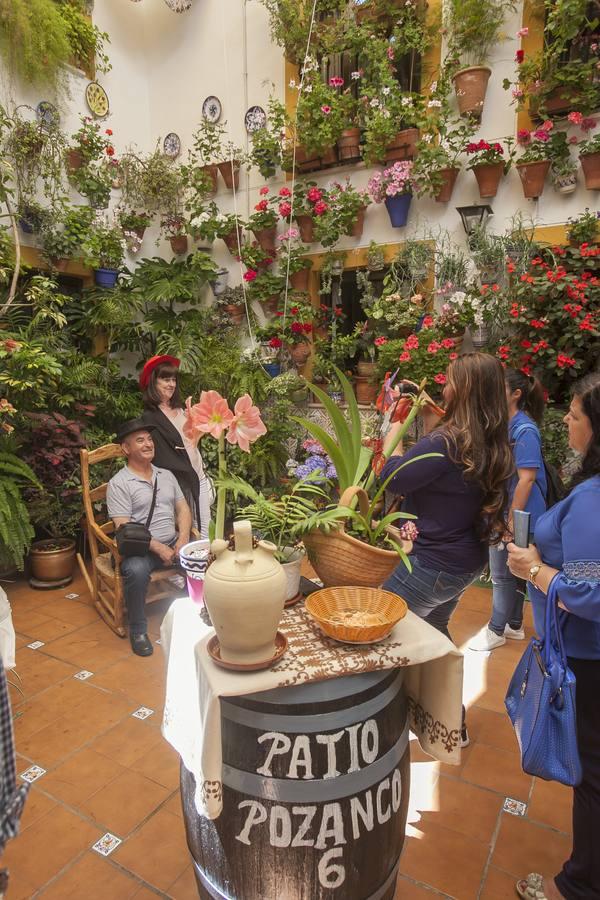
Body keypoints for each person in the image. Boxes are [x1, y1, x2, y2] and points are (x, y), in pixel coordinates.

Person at [380, 353, 513, 745]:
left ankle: (382, 731)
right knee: (435, 635)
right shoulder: (491, 441)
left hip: (433, 565)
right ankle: (451, 725)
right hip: (465, 563)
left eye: (451, 381)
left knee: (380, 635)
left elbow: (390, 475)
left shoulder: (445, 443)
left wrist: (395, 425)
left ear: (466, 391)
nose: (443, 388)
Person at [507, 373, 600, 900]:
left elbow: (591, 591)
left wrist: (534, 571)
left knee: (591, 776)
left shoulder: (591, 499)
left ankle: (580, 884)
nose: (566, 420)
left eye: (577, 415)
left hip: (586, 656)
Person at [470, 368, 547, 651]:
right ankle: (514, 624)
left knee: (501, 575)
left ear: (516, 394)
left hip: (516, 514)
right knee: (514, 572)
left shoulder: (525, 430)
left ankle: (495, 630)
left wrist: (511, 522)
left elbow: (526, 478)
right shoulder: (506, 425)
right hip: (506, 510)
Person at [107, 418, 192, 657]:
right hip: (140, 550)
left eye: (150, 439)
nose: (148, 444)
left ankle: (197, 612)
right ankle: (138, 629)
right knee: (134, 571)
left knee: (204, 558)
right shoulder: (119, 483)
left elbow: (183, 509)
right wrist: (159, 548)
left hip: (174, 543)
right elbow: (124, 528)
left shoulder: (166, 475)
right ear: (126, 449)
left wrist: (183, 538)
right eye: (140, 440)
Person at [139, 355, 213, 539]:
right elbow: (160, 457)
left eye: (173, 379)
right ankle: (192, 567)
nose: (171, 384)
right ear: (153, 382)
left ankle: (205, 567)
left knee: (205, 530)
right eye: (165, 379)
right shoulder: (150, 418)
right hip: (178, 484)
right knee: (187, 534)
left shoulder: (183, 410)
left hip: (199, 477)